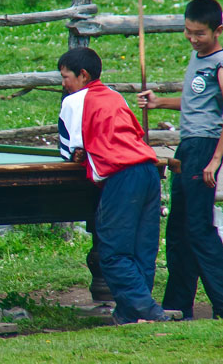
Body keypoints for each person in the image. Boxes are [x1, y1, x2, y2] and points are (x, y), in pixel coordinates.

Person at [137, 0, 223, 320]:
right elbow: (194, 102)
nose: (192, 38)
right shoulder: (196, 56)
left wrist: (215, 159)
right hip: (187, 146)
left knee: (199, 229)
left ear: (218, 30)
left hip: (204, 147)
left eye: (199, 33)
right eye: (188, 31)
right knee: (178, 229)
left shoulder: (221, 63)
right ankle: (177, 306)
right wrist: (158, 103)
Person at [57, 46, 171, 324]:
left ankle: (148, 310)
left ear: (82, 75)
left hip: (122, 176)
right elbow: (136, 132)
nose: (63, 84)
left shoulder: (74, 101)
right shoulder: (114, 95)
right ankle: (130, 313)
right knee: (142, 250)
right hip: (148, 170)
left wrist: (79, 152)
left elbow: (68, 150)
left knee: (113, 253)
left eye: (65, 77)